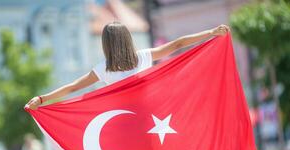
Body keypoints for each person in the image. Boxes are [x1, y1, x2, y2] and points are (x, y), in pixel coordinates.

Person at [25, 21, 229, 110]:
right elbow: (178, 44)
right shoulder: (143, 57)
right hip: (155, 117)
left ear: (105, 44)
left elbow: (73, 87)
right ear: (127, 39)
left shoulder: (103, 68)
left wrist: (42, 99)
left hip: (124, 122)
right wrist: (210, 33)